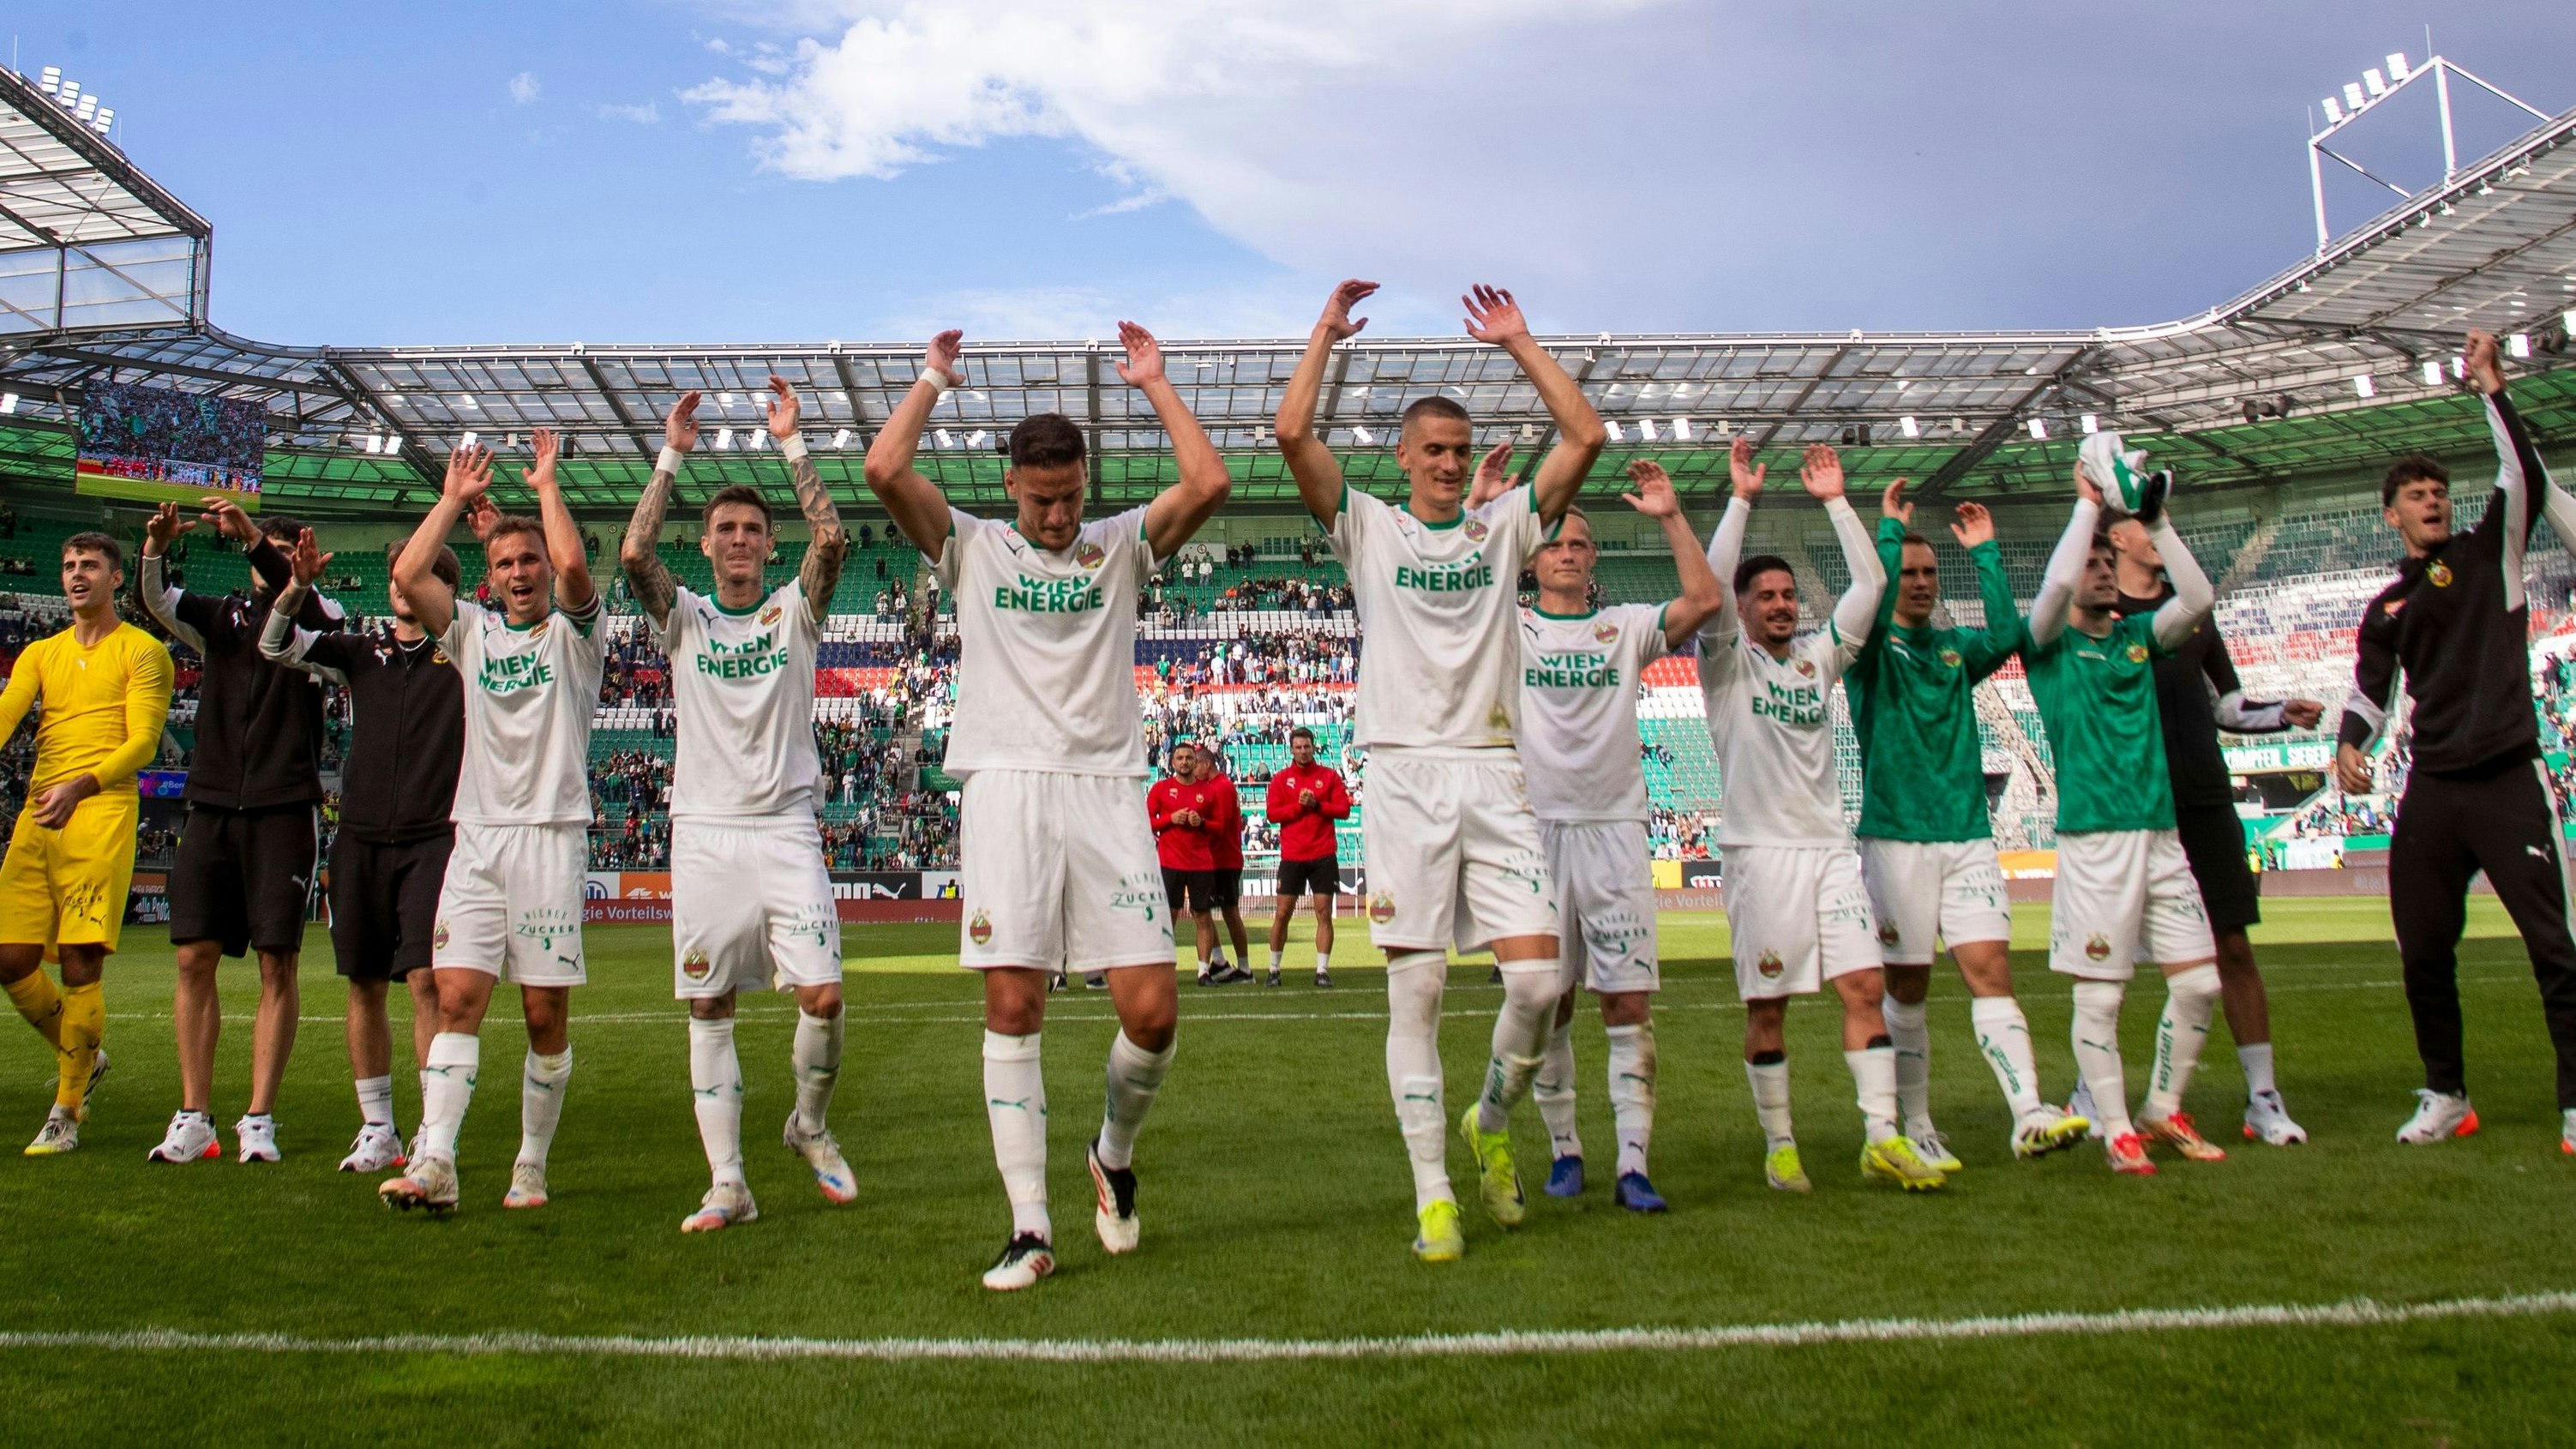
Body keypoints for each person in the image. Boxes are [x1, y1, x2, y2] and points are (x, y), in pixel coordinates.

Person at [865, 321, 1229, 1290]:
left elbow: (1208, 483)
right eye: (1041, 499)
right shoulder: (972, 547)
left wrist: (1155, 384)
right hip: (1005, 787)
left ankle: (1111, 1155)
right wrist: (932, 378)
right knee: (1012, 1002)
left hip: (1107, 789)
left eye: (1070, 496)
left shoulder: (1120, 546)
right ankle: (1029, 1226)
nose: (1059, 514)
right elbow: (883, 469)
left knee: (1153, 1014)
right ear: (1011, 488)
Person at [1276, 279, 1600, 1263]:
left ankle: (1488, 1121)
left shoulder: (1506, 529)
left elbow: (1584, 436)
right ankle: (1432, 1195)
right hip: (1405, 776)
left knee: (1538, 985)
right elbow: (1292, 436)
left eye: (1461, 450)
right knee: (1413, 996)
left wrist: (1520, 342)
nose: (1451, 464)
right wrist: (1325, 332)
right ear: (1404, 458)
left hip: (1495, 771)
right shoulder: (1370, 527)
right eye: (1434, 451)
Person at [621, 378, 857, 1232]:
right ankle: (728, 1183)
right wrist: (671, 454)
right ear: (706, 543)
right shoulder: (684, 617)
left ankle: (808, 1124)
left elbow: (830, 537)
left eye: (753, 529)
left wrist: (791, 442)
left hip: (786, 826)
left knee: (823, 997)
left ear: (768, 543)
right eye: (725, 529)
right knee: (709, 1004)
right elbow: (632, 556)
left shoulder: (793, 611)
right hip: (706, 832)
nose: (739, 540)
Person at [2337, 329, 2576, 1155]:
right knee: (2422, 953)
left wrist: (2489, 387)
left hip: (2509, 778)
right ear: (2392, 514)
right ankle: (2446, 1095)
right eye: (2415, 494)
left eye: (2438, 491)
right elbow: (2369, 693)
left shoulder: (2489, 552)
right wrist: (2348, 745)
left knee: (2554, 949)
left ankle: (2575, 1104)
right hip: (2432, 791)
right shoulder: (2385, 608)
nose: (2432, 501)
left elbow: (2523, 476)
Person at [1701, 439, 1942, 1193]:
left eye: (1787, 595)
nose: (1781, 605)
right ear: (1743, 608)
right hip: (1759, 856)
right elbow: (1707, 585)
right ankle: (1779, 1144)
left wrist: (1837, 501)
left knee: (1864, 987)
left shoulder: (1819, 659)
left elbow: (1872, 583)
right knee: (1768, 1008)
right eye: (1765, 597)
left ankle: (1880, 1137)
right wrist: (1740, 500)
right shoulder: (1725, 663)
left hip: (1831, 852)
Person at [376, 430, 606, 1214]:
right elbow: (409, 575)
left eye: (529, 560)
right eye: (505, 563)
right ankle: (436, 1161)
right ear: (490, 575)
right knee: (455, 1000)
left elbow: (575, 567)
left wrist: (545, 487)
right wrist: (450, 500)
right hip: (475, 838)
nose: (520, 572)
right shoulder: (471, 631)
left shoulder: (577, 635)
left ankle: (530, 1165)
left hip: (549, 836)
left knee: (543, 1014)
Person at [1848, 479, 2089, 1166]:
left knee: (1990, 971)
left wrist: (1985, 553)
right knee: (1908, 987)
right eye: (1910, 574)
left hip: (1966, 837)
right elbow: (1872, 604)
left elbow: (2010, 636)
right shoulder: (1867, 652)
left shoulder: (1954, 651)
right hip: (1895, 840)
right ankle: (1917, 1123)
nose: (1921, 583)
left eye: (1929, 573)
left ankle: (2027, 1113)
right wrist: (1888, 532)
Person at [1510, 459, 1722, 1212]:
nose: (1567, 554)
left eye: (1579, 545)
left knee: (1626, 1003)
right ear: (1530, 558)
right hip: (1536, 834)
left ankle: (1634, 1163)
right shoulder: (1510, 628)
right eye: (1554, 544)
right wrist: (1484, 506)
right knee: (1550, 1002)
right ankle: (1564, 1150)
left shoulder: (1625, 627)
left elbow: (1705, 599)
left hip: (1615, 832)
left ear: (1593, 558)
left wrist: (1669, 516)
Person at [2021, 470, 2220, 1175]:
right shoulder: (2046, 645)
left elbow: (2197, 599)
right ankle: (2114, 1130)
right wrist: (2085, 508)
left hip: (2160, 836)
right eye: (2092, 564)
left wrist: (2156, 522)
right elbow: (2052, 592)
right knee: (2100, 996)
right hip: (2095, 842)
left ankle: (2161, 1108)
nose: (2104, 571)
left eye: (2109, 561)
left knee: (2199, 984)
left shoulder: (2139, 636)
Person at [138, 496, 344, 1165]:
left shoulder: (321, 616)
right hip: (212, 803)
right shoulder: (221, 618)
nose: (279, 560)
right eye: (271, 551)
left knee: (276, 961)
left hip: (285, 806)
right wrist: (155, 547)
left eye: (288, 552)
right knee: (192, 956)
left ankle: (259, 1119)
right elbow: (157, 601)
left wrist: (258, 539)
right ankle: (193, 1116)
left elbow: (297, 606)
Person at [2109, 516, 2324, 1146]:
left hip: (2204, 798)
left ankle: (2262, 1098)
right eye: (2142, 521)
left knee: (2232, 945)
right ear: (2116, 538)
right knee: (2110, 960)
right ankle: (2097, 1097)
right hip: (2132, 806)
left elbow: (2227, 703)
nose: (2159, 530)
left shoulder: (2193, 612)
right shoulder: (2096, 611)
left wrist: (2277, 712)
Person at [260, 535, 465, 1174]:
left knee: (426, 982)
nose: (403, 585)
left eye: (420, 574)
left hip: (436, 839)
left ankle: (433, 1131)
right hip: (360, 838)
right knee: (365, 982)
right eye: (397, 575)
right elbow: (274, 644)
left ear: (444, 589)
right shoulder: (359, 652)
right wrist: (296, 587)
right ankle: (378, 1128)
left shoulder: (466, 653)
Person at [0, 532, 172, 1154]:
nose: (77, 574)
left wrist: (82, 785)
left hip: (101, 807)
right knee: (10, 958)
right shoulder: (40, 653)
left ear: (116, 579)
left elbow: (143, 742)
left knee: (79, 960)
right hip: (40, 811)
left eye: (91, 565)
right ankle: (85, 1057)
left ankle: (66, 1112)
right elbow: (8, 712)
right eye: (70, 565)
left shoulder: (144, 652)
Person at [1264, 726, 1349, 988]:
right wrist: (1299, 807)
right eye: (1298, 747)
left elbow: (1344, 810)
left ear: (1314, 748)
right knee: (1282, 913)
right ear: (1291, 750)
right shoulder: (1281, 779)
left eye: (1307, 747)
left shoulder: (1329, 776)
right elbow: (1273, 814)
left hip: (1323, 854)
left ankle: (1322, 970)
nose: (1303, 751)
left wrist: (1317, 805)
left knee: (1323, 913)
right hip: (1293, 855)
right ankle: (1274, 969)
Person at [1149, 743, 1230, 985]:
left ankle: (1203, 971)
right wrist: (1170, 819)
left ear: (1195, 762)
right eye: (1180, 758)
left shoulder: (1208, 791)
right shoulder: (1161, 789)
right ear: (1172, 762)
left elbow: (1220, 827)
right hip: (1170, 863)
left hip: (1201, 864)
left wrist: (1201, 823)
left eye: (1188, 758)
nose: (1184, 762)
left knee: (1203, 916)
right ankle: (1163, 969)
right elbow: (1146, 821)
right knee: (1169, 916)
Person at [1195, 744, 1253, 983]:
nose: (1193, 770)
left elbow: (1221, 824)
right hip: (1213, 859)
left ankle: (1245, 968)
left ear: (1206, 764)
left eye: (1196, 764)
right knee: (1202, 910)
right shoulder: (1215, 786)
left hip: (1224, 859)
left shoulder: (1221, 787)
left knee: (1229, 912)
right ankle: (1219, 962)